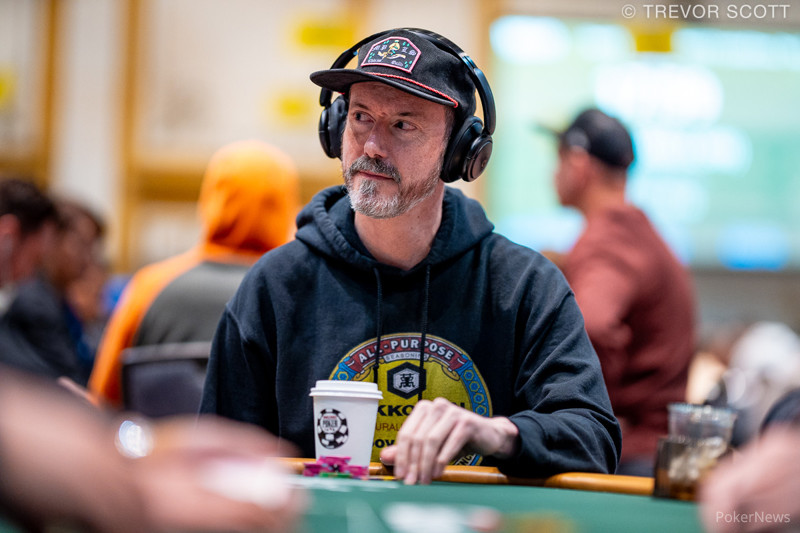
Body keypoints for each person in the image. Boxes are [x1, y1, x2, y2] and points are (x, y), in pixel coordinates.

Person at [201, 28, 621, 485]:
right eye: (361, 117)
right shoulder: (275, 286)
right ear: (336, 126)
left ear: (459, 152)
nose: (372, 146)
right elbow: (216, 462)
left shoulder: (523, 286)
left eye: (403, 125)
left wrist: (499, 433)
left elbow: (593, 440)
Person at [0, 178, 303, 533]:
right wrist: (132, 446)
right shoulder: (291, 288)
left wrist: (126, 443)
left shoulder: (149, 284)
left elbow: (102, 389)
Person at [89, 139, 300, 407]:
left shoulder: (149, 286)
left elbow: (103, 399)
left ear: (211, 199)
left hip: (161, 434)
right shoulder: (296, 292)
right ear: (285, 206)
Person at [544, 108, 696, 476]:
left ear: (579, 165)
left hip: (630, 455)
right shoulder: (634, 231)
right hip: (652, 450)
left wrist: (586, 410)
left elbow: (592, 327)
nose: (552, 173)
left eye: (558, 160)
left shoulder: (608, 238)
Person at [0, 198, 104, 385]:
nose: (88, 258)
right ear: (55, 240)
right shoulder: (34, 300)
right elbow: (69, 377)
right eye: (82, 244)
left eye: (92, 248)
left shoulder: (62, 300)